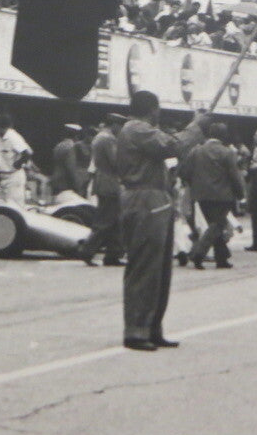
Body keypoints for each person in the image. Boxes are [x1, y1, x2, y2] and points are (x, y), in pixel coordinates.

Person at [116, 90, 204, 351]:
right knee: (146, 266)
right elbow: (171, 146)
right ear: (152, 109)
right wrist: (196, 127)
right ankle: (136, 329)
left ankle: (151, 327)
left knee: (160, 269)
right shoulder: (137, 129)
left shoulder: (138, 130)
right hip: (144, 198)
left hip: (154, 198)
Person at [182, 122, 245, 270]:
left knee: (214, 225)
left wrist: (195, 184)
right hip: (222, 195)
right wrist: (240, 194)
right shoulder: (227, 153)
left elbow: (184, 172)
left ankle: (222, 258)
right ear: (223, 136)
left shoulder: (196, 151)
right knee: (217, 225)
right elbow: (234, 176)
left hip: (201, 195)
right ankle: (198, 253)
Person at [77, 113, 127, 267]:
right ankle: (88, 250)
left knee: (114, 220)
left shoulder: (99, 137)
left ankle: (113, 254)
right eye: (120, 126)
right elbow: (115, 162)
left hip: (103, 181)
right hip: (109, 183)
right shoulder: (108, 139)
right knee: (106, 220)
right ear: (114, 125)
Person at [0, 113, 31, 206]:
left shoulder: (13, 137)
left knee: (14, 206)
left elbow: (27, 153)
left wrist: (17, 164)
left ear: (1, 127)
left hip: (13, 176)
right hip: (3, 177)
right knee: (0, 206)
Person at [50, 124, 83, 197]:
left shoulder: (59, 145)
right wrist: (77, 185)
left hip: (56, 181)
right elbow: (71, 168)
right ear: (76, 135)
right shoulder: (71, 147)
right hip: (66, 184)